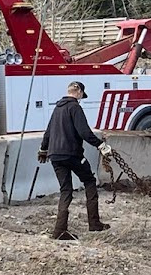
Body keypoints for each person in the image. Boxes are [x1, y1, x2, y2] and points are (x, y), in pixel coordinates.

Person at [38, 81, 105, 240]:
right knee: (89, 181)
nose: (81, 98)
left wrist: (43, 149)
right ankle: (94, 223)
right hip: (72, 154)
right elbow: (84, 132)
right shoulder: (75, 107)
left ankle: (59, 231)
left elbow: (48, 132)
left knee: (65, 190)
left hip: (55, 155)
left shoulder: (57, 108)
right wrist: (101, 145)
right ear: (79, 92)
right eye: (82, 95)